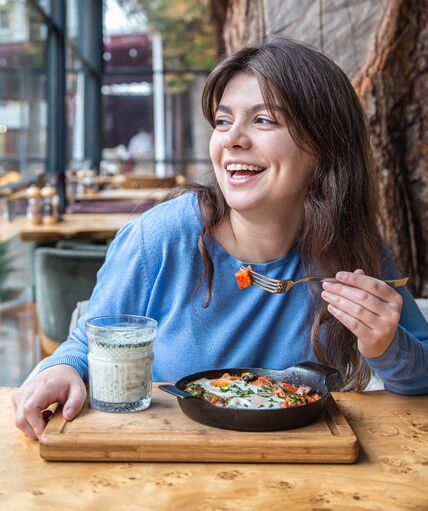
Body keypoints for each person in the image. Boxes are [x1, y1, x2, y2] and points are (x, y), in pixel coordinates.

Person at [13, 37, 428, 439]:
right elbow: (86, 343)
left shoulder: (353, 248)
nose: (231, 139)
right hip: (170, 467)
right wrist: (62, 369)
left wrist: (386, 345)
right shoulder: (160, 237)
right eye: (224, 121)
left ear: (325, 147)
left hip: (305, 476)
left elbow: (420, 377)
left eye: (263, 120)